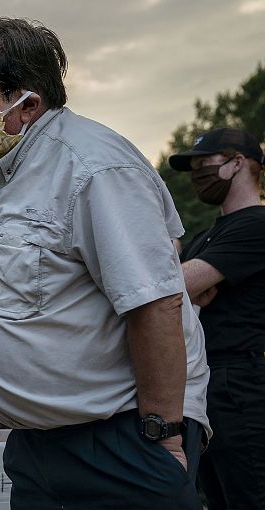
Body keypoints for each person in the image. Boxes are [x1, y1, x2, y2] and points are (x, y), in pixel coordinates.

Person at [0, 18, 209, 508]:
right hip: (37, 445)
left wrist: (164, 438)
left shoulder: (95, 171)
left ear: (28, 103)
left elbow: (156, 305)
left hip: (121, 437)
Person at [169, 128, 265, 509]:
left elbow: (174, 286)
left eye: (204, 165)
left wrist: (184, 282)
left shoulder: (256, 224)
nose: (197, 176)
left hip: (241, 383)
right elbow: (174, 291)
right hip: (206, 382)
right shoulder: (210, 235)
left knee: (250, 495)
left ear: (237, 163)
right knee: (217, 498)